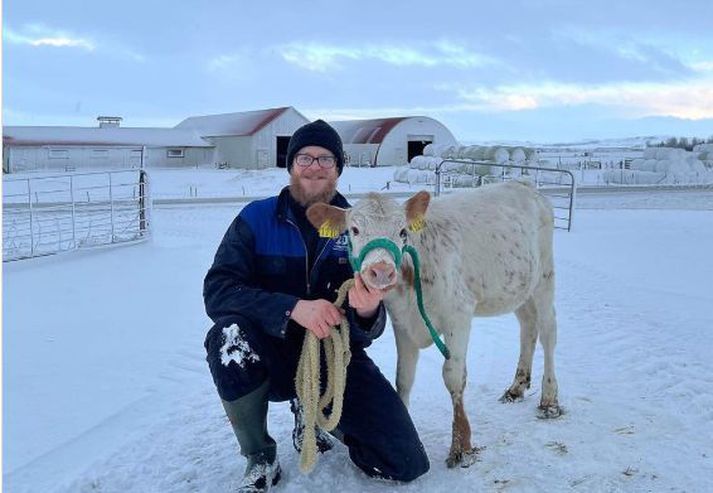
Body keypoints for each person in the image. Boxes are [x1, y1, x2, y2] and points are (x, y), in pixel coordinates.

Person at [203, 119, 430, 492]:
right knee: (228, 337)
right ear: (291, 164)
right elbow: (219, 290)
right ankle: (259, 456)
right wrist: (292, 307)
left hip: (334, 359)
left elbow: (368, 330)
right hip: (269, 352)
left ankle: (314, 410)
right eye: (305, 157)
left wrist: (367, 310)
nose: (315, 166)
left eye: (326, 159)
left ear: (339, 169)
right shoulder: (255, 219)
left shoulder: (360, 224)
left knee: (405, 462)